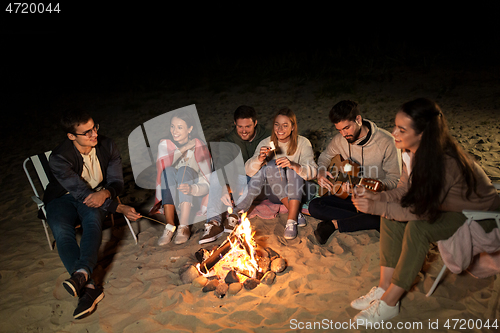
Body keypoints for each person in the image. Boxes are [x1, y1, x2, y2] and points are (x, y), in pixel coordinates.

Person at [350, 98, 500, 324]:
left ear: (422, 134)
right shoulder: (411, 153)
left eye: (402, 129)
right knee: (389, 216)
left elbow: (421, 213)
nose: (394, 133)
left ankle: (390, 303)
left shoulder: (444, 162)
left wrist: (377, 205)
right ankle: (383, 288)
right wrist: (377, 197)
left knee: (417, 228)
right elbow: (403, 190)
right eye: (395, 126)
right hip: (449, 208)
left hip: (482, 218)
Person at [44, 109, 141, 319]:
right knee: (61, 231)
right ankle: (88, 284)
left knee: (92, 220)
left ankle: (82, 279)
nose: (94, 134)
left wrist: (107, 192)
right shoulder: (59, 158)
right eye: (86, 132)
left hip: (97, 195)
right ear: (71, 136)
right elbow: (82, 194)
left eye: (94, 127)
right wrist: (118, 207)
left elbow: (117, 182)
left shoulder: (107, 145)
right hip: (63, 198)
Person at [308, 100, 400, 244]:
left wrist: (367, 189)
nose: (343, 134)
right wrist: (320, 171)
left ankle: (334, 224)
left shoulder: (387, 142)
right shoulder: (340, 140)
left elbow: (395, 180)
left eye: (346, 128)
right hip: (349, 197)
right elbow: (325, 157)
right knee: (314, 206)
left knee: (387, 214)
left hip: (376, 199)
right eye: (339, 130)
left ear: (358, 119)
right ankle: (364, 220)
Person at [231, 107, 318, 240]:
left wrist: (294, 165)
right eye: (277, 125)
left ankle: (291, 221)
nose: (280, 129)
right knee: (269, 166)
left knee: (292, 170)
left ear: (293, 127)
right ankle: (294, 212)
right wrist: (259, 159)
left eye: (285, 125)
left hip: (303, 191)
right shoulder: (266, 142)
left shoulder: (303, 142)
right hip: (278, 193)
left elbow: (313, 172)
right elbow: (248, 171)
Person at [200, 105, 270, 244]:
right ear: (234, 124)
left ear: (255, 123)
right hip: (239, 180)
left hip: (259, 182)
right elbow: (223, 163)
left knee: (261, 171)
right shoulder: (229, 140)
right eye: (240, 127)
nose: (244, 131)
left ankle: (236, 214)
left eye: (248, 126)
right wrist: (225, 186)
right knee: (216, 176)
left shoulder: (267, 136)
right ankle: (214, 222)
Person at [155, 111, 212, 246]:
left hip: (195, 197)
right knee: (167, 171)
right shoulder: (165, 144)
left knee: (183, 171)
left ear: (190, 129)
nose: (174, 131)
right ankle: (170, 226)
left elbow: (208, 183)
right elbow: (164, 163)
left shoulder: (199, 146)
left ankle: (184, 226)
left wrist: (192, 188)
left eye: (180, 127)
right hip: (173, 199)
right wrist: (185, 147)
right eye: (172, 126)